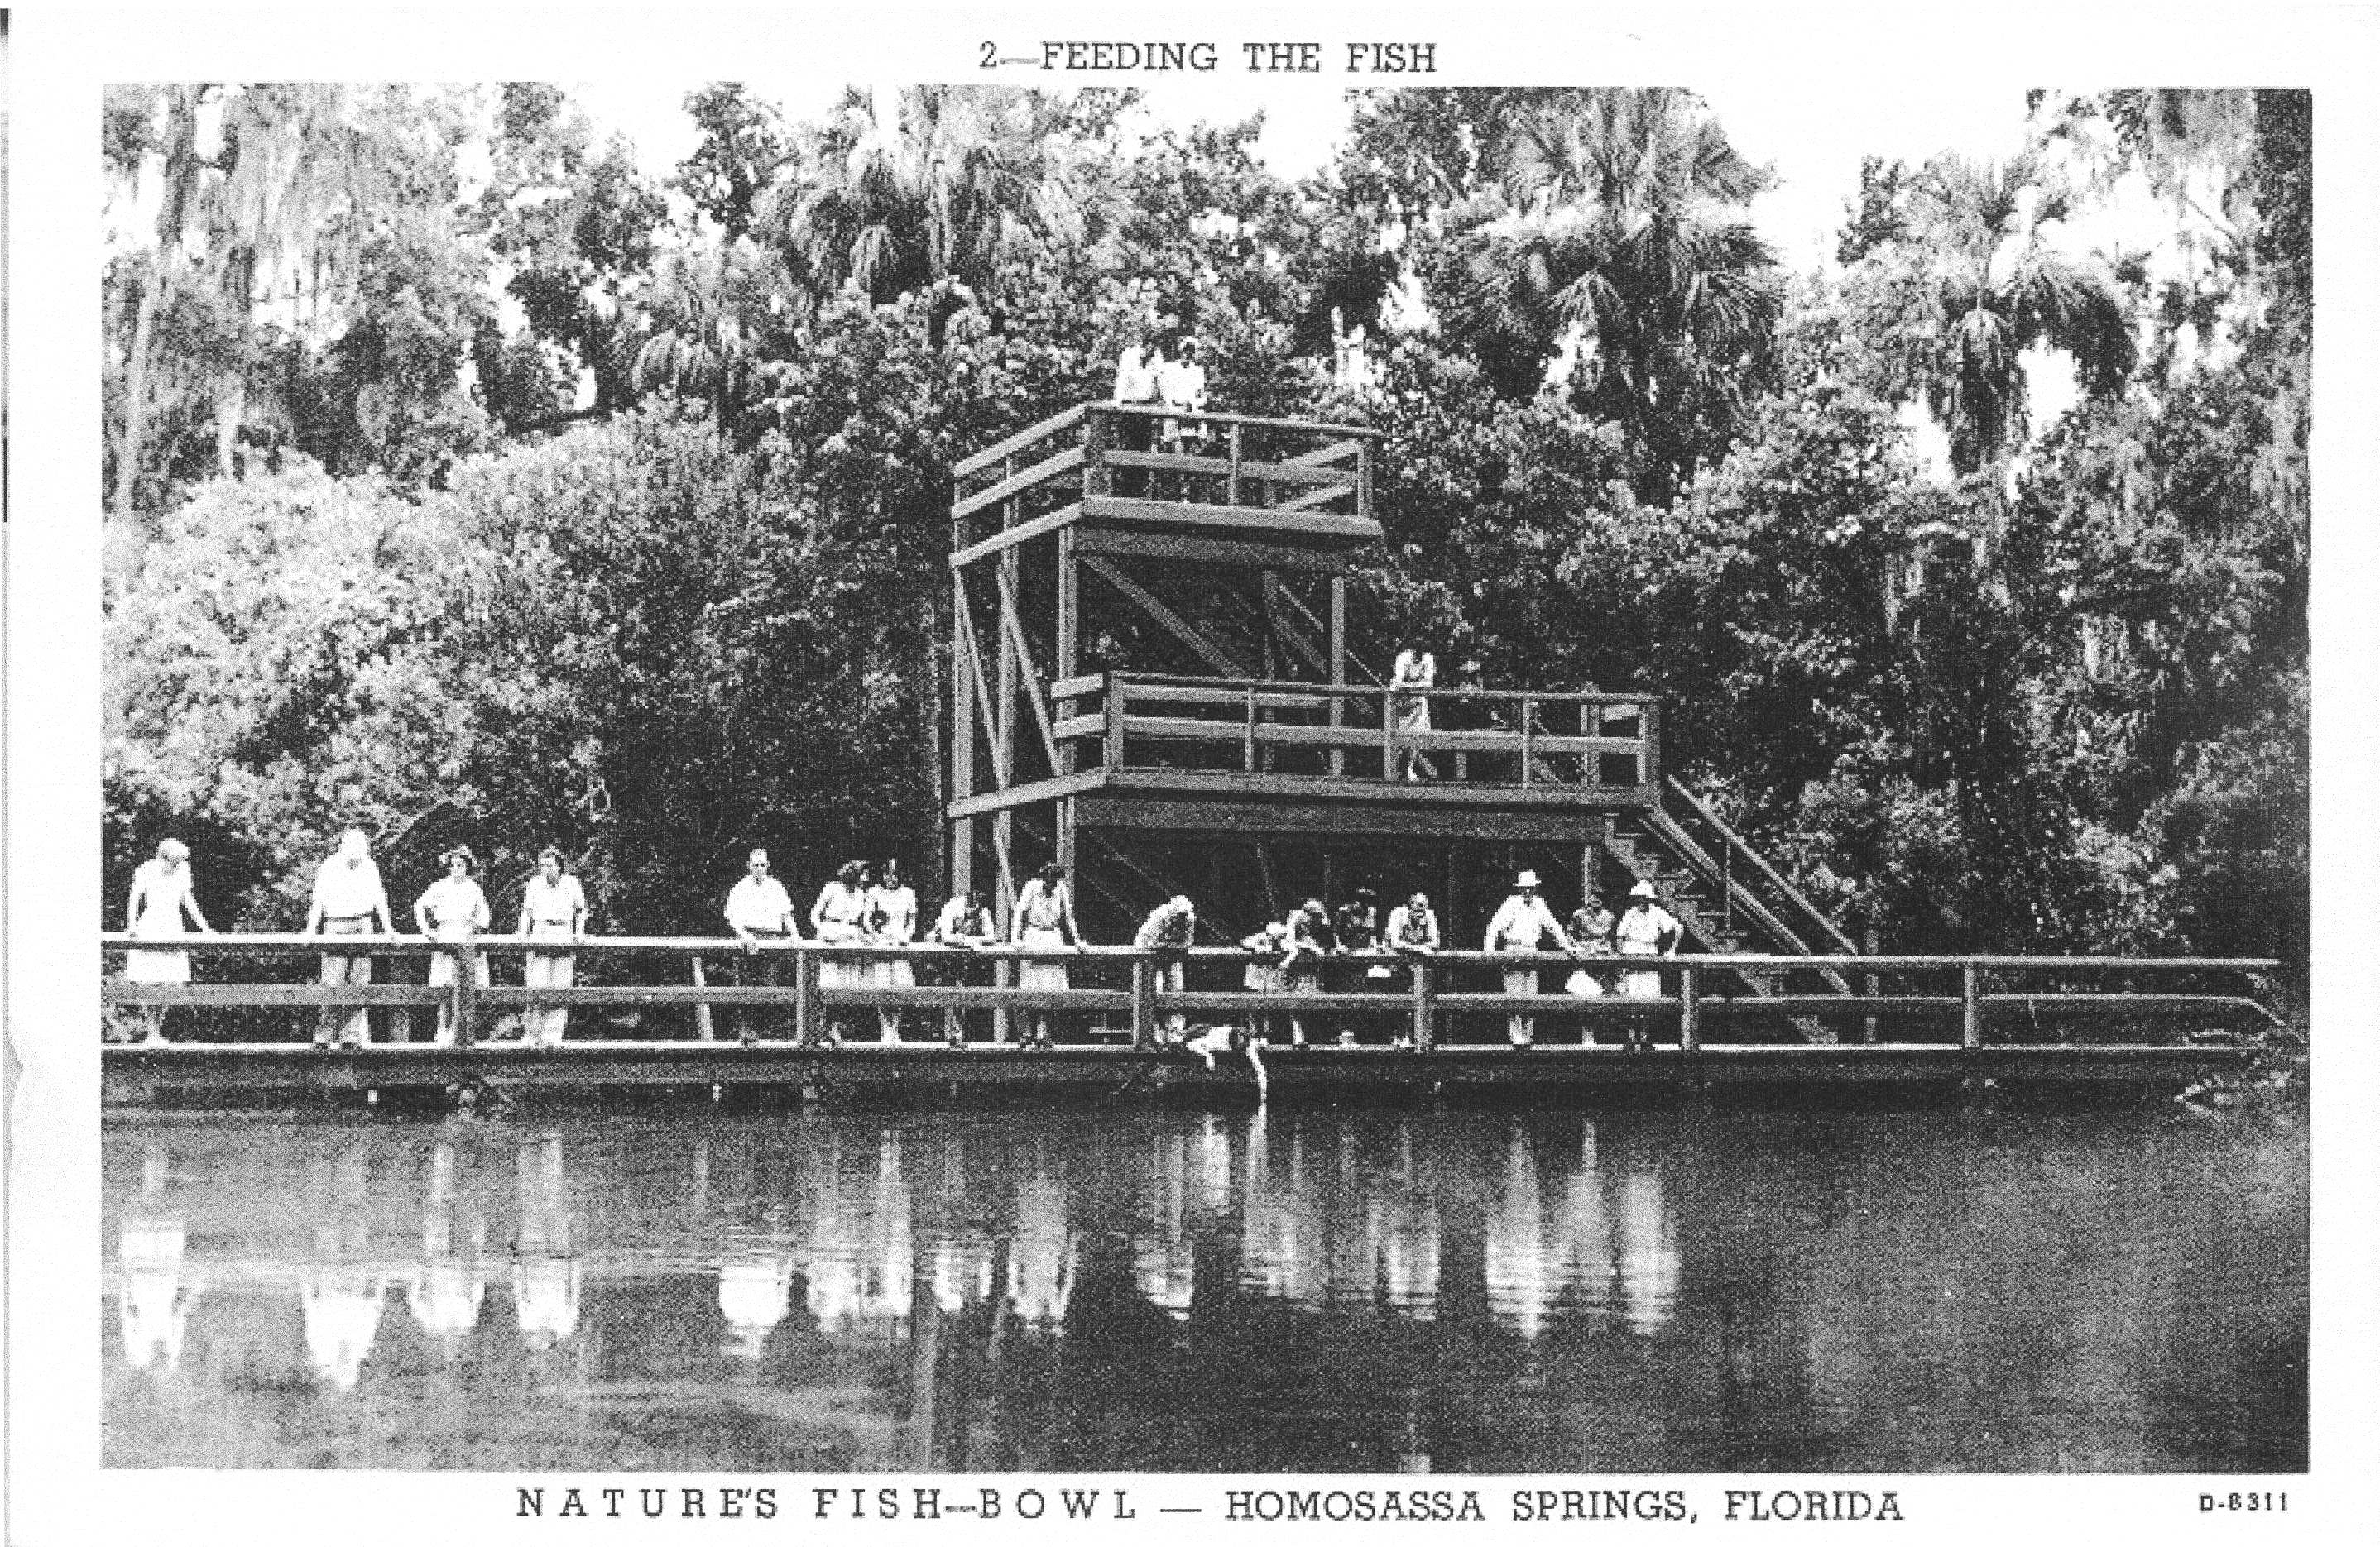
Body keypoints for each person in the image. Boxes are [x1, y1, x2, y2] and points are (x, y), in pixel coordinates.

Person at [305, 829, 393, 1049]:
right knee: (332, 981)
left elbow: (379, 898)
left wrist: (389, 929)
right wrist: (310, 930)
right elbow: (318, 900)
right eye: (353, 847)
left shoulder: (369, 866)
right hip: (335, 923)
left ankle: (351, 1036)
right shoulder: (329, 866)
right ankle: (324, 1036)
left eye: (362, 849)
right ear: (343, 847)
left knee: (359, 981)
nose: (357, 853)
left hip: (363, 924)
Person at [122, 838, 211, 1044]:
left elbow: (187, 900)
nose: (176, 866)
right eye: (173, 862)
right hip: (151, 926)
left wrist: (204, 927)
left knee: (170, 982)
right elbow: (134, 898)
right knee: (148, 980)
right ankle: (152, 1033)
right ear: (162, 858)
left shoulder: (182, 871)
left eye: (179, 862)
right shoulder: (146, 870)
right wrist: (132, 924)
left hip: (172, 927)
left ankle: (156, 1030)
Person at [1483, 869, 1571, 1047]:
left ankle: (1528, 1037)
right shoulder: (1511, 903)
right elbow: (1494, 926)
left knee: (1531, 995)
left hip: (1532, 950)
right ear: (1519, 889)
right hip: (1513, 950)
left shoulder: (1539, 904)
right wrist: (1490, 951)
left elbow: (1552, 926)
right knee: (1514, 995)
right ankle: (1516, 1038)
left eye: (1531, 888)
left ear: (1536, 888)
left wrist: (1568, 947)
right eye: (1525, 888)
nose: (1528, 892)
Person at [415, 846, 493, 1046]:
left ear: (467, 867)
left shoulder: (474, 888)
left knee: (465, 988)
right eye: (453, 866)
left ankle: (463, 1034)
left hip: (466, 938)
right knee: (446, 987)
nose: (456, 869)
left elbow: (484, 916)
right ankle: (443, 1032)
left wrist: (476, 926)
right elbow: (420, 905)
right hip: (446, 935)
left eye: (460, 865)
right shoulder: (440, 887)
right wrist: (426, 930)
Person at [725, 848, 799, 1044]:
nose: (759, 869)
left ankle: (764, 1032)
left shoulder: (775, 887)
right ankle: (747, 1033)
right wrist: (745, 936)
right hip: (748, 940)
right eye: (755, 865)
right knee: (747, 987)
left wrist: (795, 935)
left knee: (769, 987)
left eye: (762, 865)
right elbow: (733, 917)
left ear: (768, 866)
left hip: (771, 941)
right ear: (749, 866)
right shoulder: (740, 888)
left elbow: (786, 914)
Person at [516, 848, 588, 1048]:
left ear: (559, 866)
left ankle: (553, 1036)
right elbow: (527, 911)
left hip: (563, 932)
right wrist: (523, 933)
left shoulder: (572, 883)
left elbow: (581, 910)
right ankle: (532, 1035)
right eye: (543, 865)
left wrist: (579, 932)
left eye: (550, 864)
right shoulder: (535, 883)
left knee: (561, 986)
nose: (546, 869)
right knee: (537, 985)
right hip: (541, 931)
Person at [1010, 862, 1083, 1049]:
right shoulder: (1032, 887)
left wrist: (1077, 940)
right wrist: (1015, 939)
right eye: (1048, 880)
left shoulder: (1061, 890)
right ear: (1043, 878)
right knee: (1029, 985)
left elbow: (1068, 916)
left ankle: (1044, 1031)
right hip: (1034, 935)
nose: (1051, 884)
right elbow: (1019, 912)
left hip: (1053, 936)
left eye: (1054, 881)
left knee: (1052, 984)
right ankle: (1027, 1033)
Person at [805, 860, 871, 1046]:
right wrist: (825, 932)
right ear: (854, 874)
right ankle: (819, 1029)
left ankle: (835, 1029)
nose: (866, 879)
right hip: (830, 937)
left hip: (850, 939)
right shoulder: (832, 888)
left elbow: (863, 922)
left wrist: (868, 936)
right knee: (827, 984)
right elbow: (814, 915)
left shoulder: (861, 894)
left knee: (845, 987)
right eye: (863, 874)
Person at [1614, 879, 1683, 1048]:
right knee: (1631, 998)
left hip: (1650, 954)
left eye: (1645, 898)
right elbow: (1620, 937)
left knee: (1649, 998)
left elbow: (1678, 928)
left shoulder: (1658, 913)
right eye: (1639, 898)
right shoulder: (1630, 914)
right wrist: (1622, 958)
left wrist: (1672, 949)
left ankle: (1645, 1038)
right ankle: (1631, 1038)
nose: (1642, 901)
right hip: (1631, 955)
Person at [928, 887, 999, 1046]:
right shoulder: (953, 906)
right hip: (946, 954)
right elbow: (946, 935)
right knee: (949, 991)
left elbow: (991, 936)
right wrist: (962, 939)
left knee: (964, 993)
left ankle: (959, 1033)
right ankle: (948, 1033)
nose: (973, 912)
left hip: (966, 957)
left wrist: (975, 940)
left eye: (977, 909)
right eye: (971, 909)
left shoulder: (982, 911)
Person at [866, 859, 920, 1045]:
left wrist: (906, 936)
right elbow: (867, 919)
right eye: (888, 874)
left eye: (895, 875)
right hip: (881, 942)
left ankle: (895, 1028)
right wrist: (877, 935)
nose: (891, 878)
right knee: (882, 985)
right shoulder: (874, 892)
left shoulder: (907, 894)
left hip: (900, 942)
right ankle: (885, 1029)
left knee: (899, 986)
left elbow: (911, 921)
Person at [1132, 894, 1199, 1042]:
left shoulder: (1190, 920)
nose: (1182, 918)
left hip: (1171, 956)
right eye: (1179, 914)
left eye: (1185, 914)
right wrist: (1170, 947)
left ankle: (1175, 1035)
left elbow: (1187, 943)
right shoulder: (1160, 916)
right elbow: (1149, 943)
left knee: (1176, 992)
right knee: (1152, 992)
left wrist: (1169, 947)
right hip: (1149, 957)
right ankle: (1153, 1034)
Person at [1384, 890, 1441, 1048]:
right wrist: (1420, 948)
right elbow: (1395, 943)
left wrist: (1413, 947)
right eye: (1417, 910)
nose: (1421, 914)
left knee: (1423, 998)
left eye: (1423, 909)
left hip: (1418, 965)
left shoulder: (1428, 915)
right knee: (1400, 1000)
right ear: (1409, 908)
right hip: (1397, 964)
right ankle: (1399, 1037)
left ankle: (1421, 1039)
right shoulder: (1398, 915)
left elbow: (1435, 942)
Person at [1332, 886, 1387, 1045]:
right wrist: (1340, 947)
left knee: (1365, 992)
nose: (1366, 905)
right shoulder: (1344, 912)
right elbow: (1335, 933)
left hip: (1364, 957)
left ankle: (1363, 1033)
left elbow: (1372, 934)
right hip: (1347, 958)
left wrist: (1376, 946)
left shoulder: (1371, 913)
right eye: (1364, 901)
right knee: (1347, 993)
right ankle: (1345, 1032)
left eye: (1369, 902)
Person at [1111, 329, 1163, 495]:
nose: (1153, 350)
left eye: (1155, 347)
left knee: (1143, 449)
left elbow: (1160, 380)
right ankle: (1121, 490)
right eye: (1151, 346)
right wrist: (1118, 403)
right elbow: (1122, 380)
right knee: (1126, 447)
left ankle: (1138, 490)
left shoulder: (1156, 357)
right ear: (1145, 344)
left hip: (1146, 409)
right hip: (1128, 407)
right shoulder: (1129, 355)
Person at [1564, 893, 1620, 1038]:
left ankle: (1604, 1037)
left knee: (1607, 996)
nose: (1595, 901)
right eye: (1592, 898)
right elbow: (1570, 935)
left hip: (1604, 959)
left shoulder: (1610, 916)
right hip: (1586, 958)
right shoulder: (1579, 915)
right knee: (1586, 997)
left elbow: (1615, 938)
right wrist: (1578, 947)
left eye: (1599, 898)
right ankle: (1587, 1035)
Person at [1281, 899, 1335, 1048]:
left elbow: (1328, 941)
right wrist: (1311, 948)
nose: (1316, 920)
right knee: (1295, 1002)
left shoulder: (1319, 925)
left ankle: (1313, 1037)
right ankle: (1297, 1036)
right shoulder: (1296, 918)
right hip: (1296, 970)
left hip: (1311, 970)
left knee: (1312, 1001)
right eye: (1314, 916)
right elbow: (1289, 941)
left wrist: (1317, 947)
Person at [1387, 646, 1437, 781]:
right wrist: (1411, 687)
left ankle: (1410, 769)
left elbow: (1429, 683)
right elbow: (1397, 681)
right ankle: (1398, 771)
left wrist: (1408, 686)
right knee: (1402, 737)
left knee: (1419, 737)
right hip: (1404, 703)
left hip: (1420, 702)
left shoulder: (1428, 658)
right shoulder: (1403, 657)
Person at [1240, 919, 1290, 1045]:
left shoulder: (1282, 942)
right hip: (1256, 974)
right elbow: (1245, 942)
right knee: (1253, 1006)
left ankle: (1265, 1035)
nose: (1275, 939)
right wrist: (1258, 947)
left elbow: (1292, 949)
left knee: (1267, 1007)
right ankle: (1253, 1034)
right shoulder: (1260, 937)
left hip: (1270, 975)